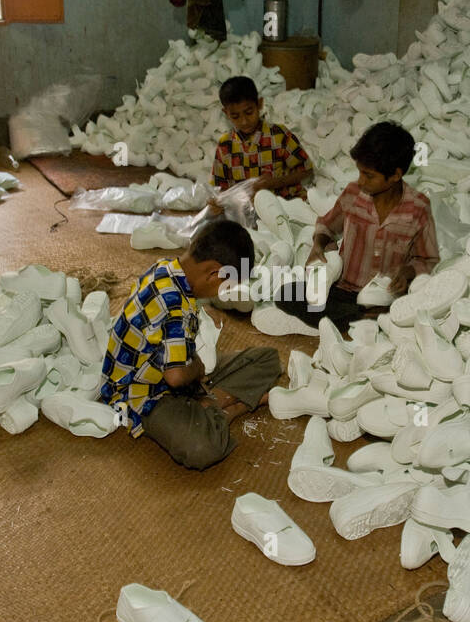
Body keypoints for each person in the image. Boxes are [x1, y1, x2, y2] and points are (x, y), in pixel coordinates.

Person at [99, 219, 283, 470]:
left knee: (267, 358)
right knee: (203, 447)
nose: (221, 294)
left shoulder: (166, 269)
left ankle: (211, 404)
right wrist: (196, 370)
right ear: (213, 273)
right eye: (225, 285)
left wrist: (195, 367)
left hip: (167, 371)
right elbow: (175, 377)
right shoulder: (174, 302)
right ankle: (230, 409)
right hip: (143, 395)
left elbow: (175, 349)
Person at [258, 121, 439, 332]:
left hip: (383, 295)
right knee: (286, 294)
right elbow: (327, 226)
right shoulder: (353, 194)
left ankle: (361, 318)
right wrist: (318, 245)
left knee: (403, 307)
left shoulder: (418, 208)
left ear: (395, 175)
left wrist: (408, 272)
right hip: (343, 289)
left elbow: (427, 259)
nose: (361, 181)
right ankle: (363, 319)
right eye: (360, 172)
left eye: (369, 175)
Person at [206, 76, 314, 217]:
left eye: (249, 112)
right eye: (235, 116)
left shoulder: (278, 135)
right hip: (246, 212)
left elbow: (306, 170)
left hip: (284, 204)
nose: (244, 121)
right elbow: (220, 187)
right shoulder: (225, 146)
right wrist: (216, 203)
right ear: (225, 113)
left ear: (260, 104)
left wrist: (275, 182)